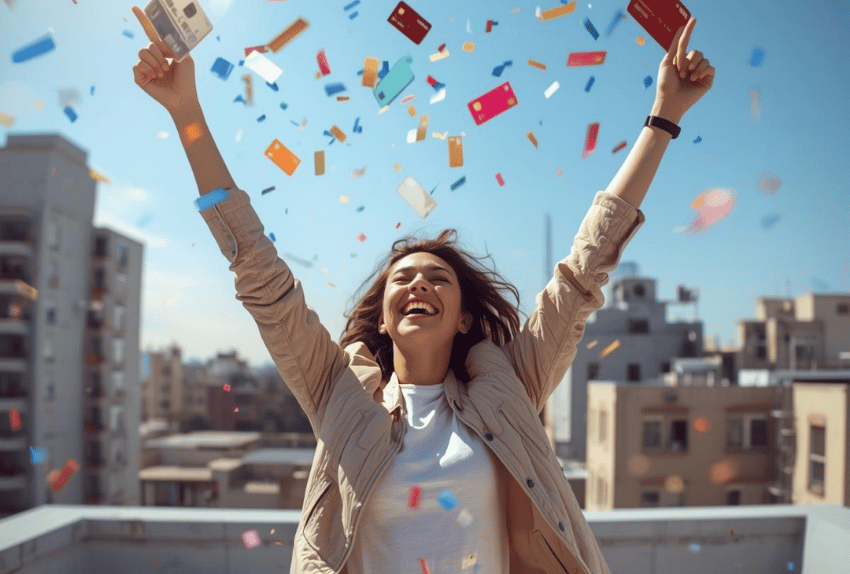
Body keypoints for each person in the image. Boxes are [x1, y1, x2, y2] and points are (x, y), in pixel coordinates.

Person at [132, 7, 714, 574]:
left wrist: (663, 116)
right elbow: (261, 275)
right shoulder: (337, 392)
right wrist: (187, 111)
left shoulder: (511, 387)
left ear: (463, 318)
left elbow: (581, 273)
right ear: (383, 319)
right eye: (402, 278)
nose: (418, 283)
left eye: (438, 278)